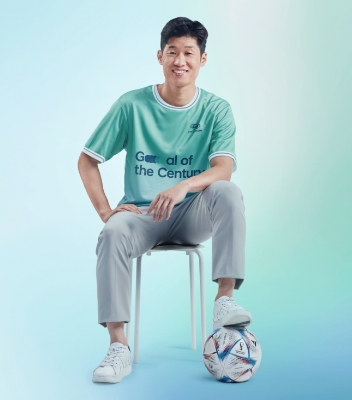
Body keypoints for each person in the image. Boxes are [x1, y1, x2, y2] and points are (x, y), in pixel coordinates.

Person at [78, 16, 252, 384]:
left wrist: (183, 186)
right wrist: (107, 211)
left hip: (193, 214)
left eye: (189, 53)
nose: (180, 61)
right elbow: (87, 160)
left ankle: (224, 300)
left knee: (228, 191)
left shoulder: (216, 109)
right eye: (172, 52)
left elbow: (223, 169)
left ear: (202, 59)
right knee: (112, 231)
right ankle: (118, 347)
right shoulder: (132, 105)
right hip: (142, 215)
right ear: (160, 56)